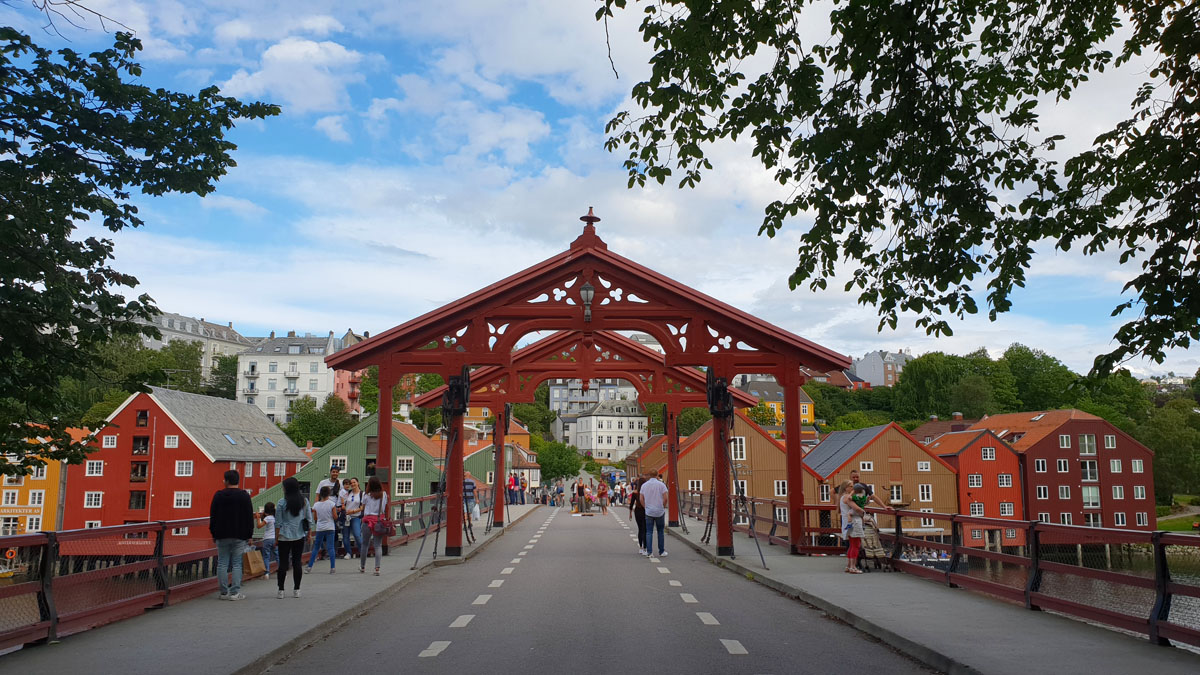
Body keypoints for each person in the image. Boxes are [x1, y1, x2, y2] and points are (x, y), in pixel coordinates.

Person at [210, 469, 254, 600]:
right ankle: (235, 593)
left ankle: (224, 592)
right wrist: (249, 535)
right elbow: (248, 517)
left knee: (222, 563)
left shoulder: (218, 495)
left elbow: (213, 515)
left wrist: (213, 532)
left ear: (226, 481)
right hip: (239, 535)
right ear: (238, 481)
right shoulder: (244, 496)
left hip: (221, 534)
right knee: (236, 563)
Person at [275, 477, 309, 598]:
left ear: (287, 488)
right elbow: (309, 519)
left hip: (284, 536)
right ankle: (297, 589)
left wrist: (276, 538)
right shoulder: (304, 502)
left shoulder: (281, 503)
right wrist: (309, 534)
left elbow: (278, 522)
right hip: (299, 535)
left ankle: (281, 590)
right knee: (297, 562)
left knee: (283, 564)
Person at [306, 486, 339, 574]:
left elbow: (315, 517)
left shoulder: (316, 505)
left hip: (320, 527)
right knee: (331, 547)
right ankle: (332, 568)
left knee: (316, 547)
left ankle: (309, 567)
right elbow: (335, 517)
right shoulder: (332, 504)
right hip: (330, 527)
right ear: (329, 493)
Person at [360, 476, 388, 575]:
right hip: (378, 521)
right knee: (377, 545)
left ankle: (362, 566)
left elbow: (362, 507)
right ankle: (377, 568)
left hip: (367, 520)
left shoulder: (366, 495)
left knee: (365, 544)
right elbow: (384, 507)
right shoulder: (383, 494)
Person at [317, 467, 345, 557]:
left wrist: (340, 507)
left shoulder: (339, 484)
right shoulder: (323, 483)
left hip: (335, 508)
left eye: (337, 472)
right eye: (333, 472)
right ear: (330, 472)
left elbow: (341, 497)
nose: (335, 474)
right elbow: (317, 495)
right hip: (324, 508)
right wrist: (316, 506)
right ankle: (325, 551)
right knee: (324, 530)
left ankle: (334, 551)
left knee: (335, 530)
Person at [839, 480, 866, 573]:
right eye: (850, 486)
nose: (852, 488)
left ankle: (849, 565)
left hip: (847, 522)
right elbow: (857, 508)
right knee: (856, 544)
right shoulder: (847, 497)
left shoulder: (842, 497)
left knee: (852, 544)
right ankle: (853, 567)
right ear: (845, 488)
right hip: (854, 521)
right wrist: (863, 513)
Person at [640, 472, 669, 557]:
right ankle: (661, 551)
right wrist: (662, 506)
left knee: (649, 532)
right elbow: (665, 498)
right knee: (660, 531)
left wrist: (645, 507)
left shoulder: (644, 485)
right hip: (659, 511)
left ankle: (649, 552)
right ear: (657, 475)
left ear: (649, 475)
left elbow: (641, 499)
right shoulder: (661, 485)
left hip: (649, 511)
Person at [341, 478, 364, 559]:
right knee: (345, 536)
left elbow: (362, 507)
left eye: (354, 482)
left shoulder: (362, 494)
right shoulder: (348, 493)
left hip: (356, 516)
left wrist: (353, 511)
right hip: (346, 517)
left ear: (358, 483)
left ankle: (362, 551)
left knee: (357, 535)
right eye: (351, 483)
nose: (352, 484)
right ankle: (348, 552)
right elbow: (342, 501)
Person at [256, 502, 277, 571]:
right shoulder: (275, 517)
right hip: (274, 538)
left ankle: (267, 572)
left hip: (267, 538)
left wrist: (258, 518)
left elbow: (259, 526)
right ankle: (281, 571)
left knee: (266, 556)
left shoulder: (267, 518)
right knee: (277, 555)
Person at [629, 476, 646, 554]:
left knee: (640, 529)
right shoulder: (646, 492)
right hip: (645, 510)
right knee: (645, 529)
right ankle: (646, 547)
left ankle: (641, 547)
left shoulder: (635, 493)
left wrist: (630, 513)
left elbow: (631, 504)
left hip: (637, 511)